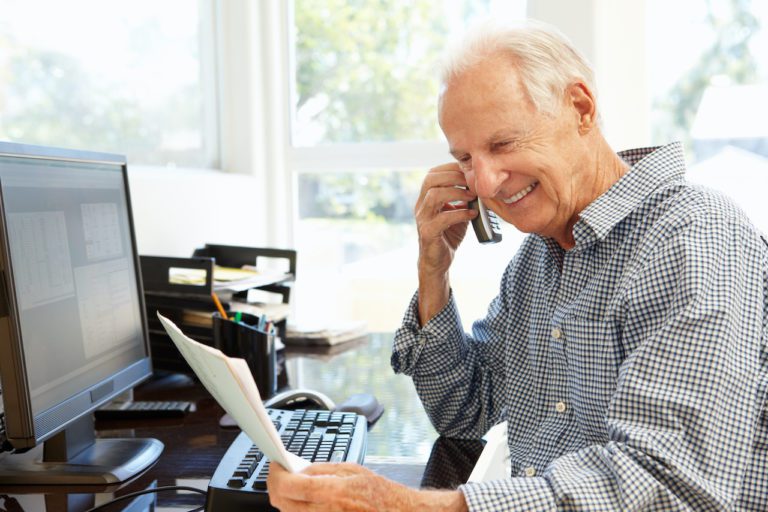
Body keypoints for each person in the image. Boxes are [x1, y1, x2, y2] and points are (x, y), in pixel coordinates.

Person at [268, 20, 768, 511]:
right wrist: (433, 272)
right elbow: (466, 411)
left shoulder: (693, 238)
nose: (483, 184)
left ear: (580, 108)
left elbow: (669, 485)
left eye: (502, 144)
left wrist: (419, 508)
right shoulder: (539, 257)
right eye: (464, 157)